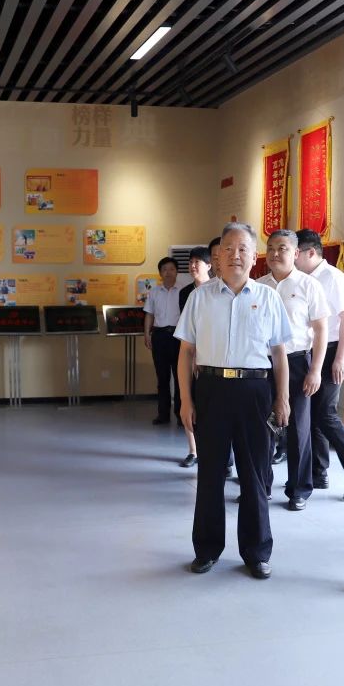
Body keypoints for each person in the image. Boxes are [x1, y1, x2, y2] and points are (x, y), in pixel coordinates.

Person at [176, 222, 292, 579]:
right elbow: (186, 353)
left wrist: (283, 398)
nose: (235, 255)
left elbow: (279, 353)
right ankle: (207, 548)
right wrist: (185, 401)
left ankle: (256, 552)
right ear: (218, 256)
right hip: (211, 389)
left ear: (254, 256)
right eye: (229, 248)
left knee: (255, 475)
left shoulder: (268, 297)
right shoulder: (200, 298)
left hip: (255, 391)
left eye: (243, 249)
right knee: (210, 473)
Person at [258, 230, 329, 510]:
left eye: (283, 248)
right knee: (262, 427)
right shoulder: (259, 286)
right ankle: (261, 485)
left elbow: (321, 330)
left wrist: (316, 370)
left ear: (296, 253)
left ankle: (299, 489)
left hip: (298, 362)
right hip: (264, 364)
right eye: (270, 248)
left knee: (299, 428)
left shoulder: (309, 285)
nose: (275, 253)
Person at [294, 229, 344, 500]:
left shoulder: (333, 277)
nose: (293, 257)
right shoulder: (300, 279)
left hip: (333, 350)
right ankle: (319, 471)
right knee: (311, 413)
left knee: (325, 413)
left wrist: (340, 358)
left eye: (296, 252)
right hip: (309, 351)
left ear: (311, 252)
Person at [178, 245, 212, 467]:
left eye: (197, 262)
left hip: (209, 354)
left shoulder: (217, 289)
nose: (192, 266)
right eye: (190, 262)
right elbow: (187, 328)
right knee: (187, 397)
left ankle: (210, 450)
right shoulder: (185, 293)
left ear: (209, 265)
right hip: (189, 351)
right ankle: (193, 450)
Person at [143, 256, 182, 425]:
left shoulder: (183, 291)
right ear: (160, 273)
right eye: (164, 269)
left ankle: (181, 415)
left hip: (179, 337)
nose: (168, 272)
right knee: (162, 377)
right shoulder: (154, 292)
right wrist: (147, 334)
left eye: (171, 269)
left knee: (180, 378)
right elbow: (149, 314)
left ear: (176, 271)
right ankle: (163, 414)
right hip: (159, 336)